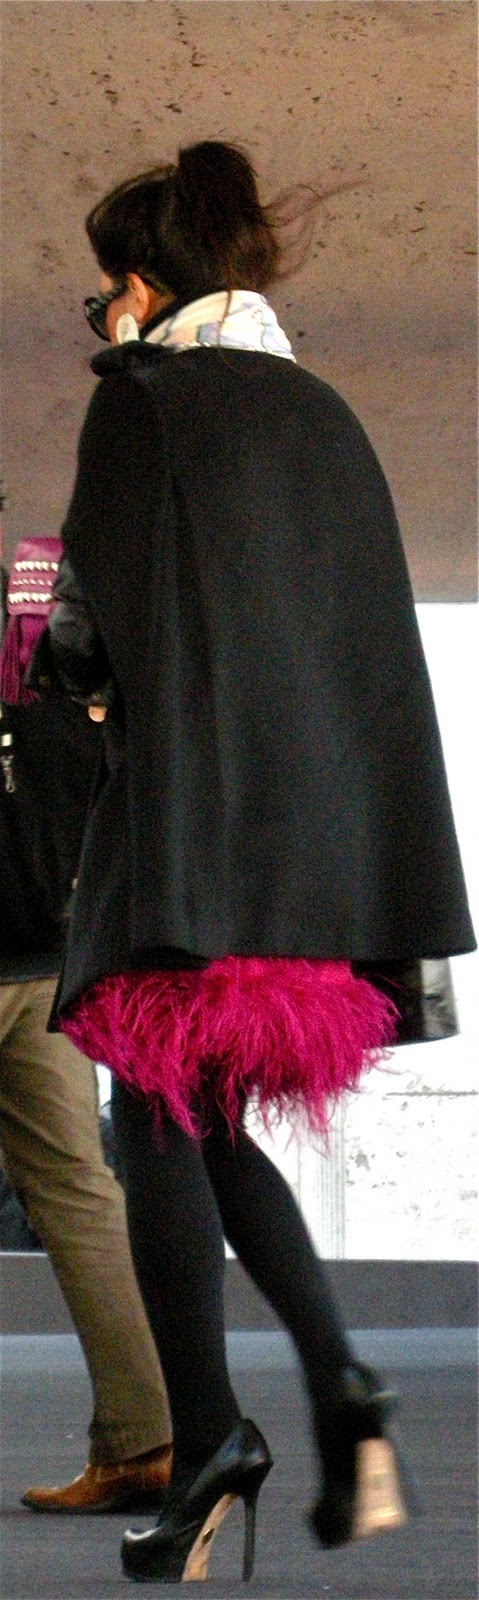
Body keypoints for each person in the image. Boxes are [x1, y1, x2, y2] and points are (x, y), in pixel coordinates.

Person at [27, 139, 475, 1583]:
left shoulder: (147, 401)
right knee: (213, 1116)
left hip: (191, 829)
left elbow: (86, 632)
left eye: (104, 294)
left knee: (153, 1112)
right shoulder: (320, 415)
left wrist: (63, 677)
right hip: (312, 848)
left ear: (139, 287)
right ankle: (341, 1377)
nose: (103, 317)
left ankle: (213, 1434)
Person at [0, 560, 173, 1513]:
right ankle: (143, 1444)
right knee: (80, 1198)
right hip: (48, 965)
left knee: (81, 1197)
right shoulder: (57, 648)